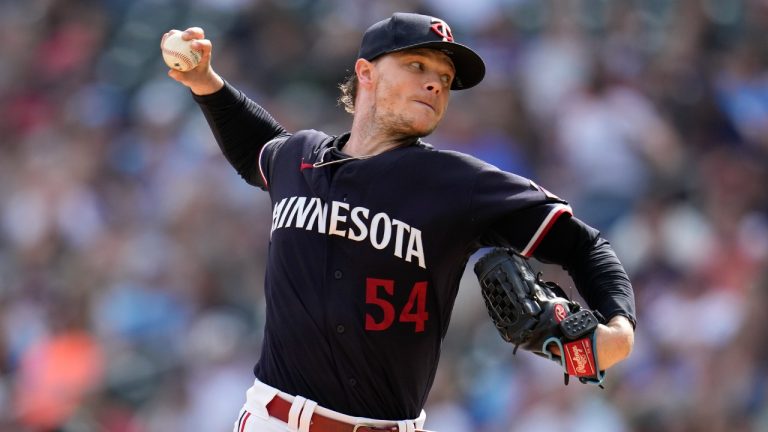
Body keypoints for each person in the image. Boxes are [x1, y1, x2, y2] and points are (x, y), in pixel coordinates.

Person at [164, 12, 636, 432]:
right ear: (365, 72)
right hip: (275, 419)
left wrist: (619, 328)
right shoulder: (299, 157)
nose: (435, 84)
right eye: (418, 66)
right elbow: (258, 148)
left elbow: (585, 247)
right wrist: (206, 81)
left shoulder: (458, 183)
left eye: (445, 78)